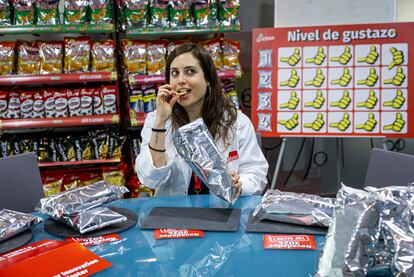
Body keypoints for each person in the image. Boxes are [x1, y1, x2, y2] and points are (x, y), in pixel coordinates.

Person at [136, 42, 268, 198]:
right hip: (174, 213)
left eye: (190, 72)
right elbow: (150, 179)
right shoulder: (156, 120)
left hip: (223, 212)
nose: (180, 80)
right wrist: (160, 122)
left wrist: (238, 184)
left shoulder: (236, 122)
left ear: (208, 80)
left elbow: (256, 174)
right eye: (174, 73)